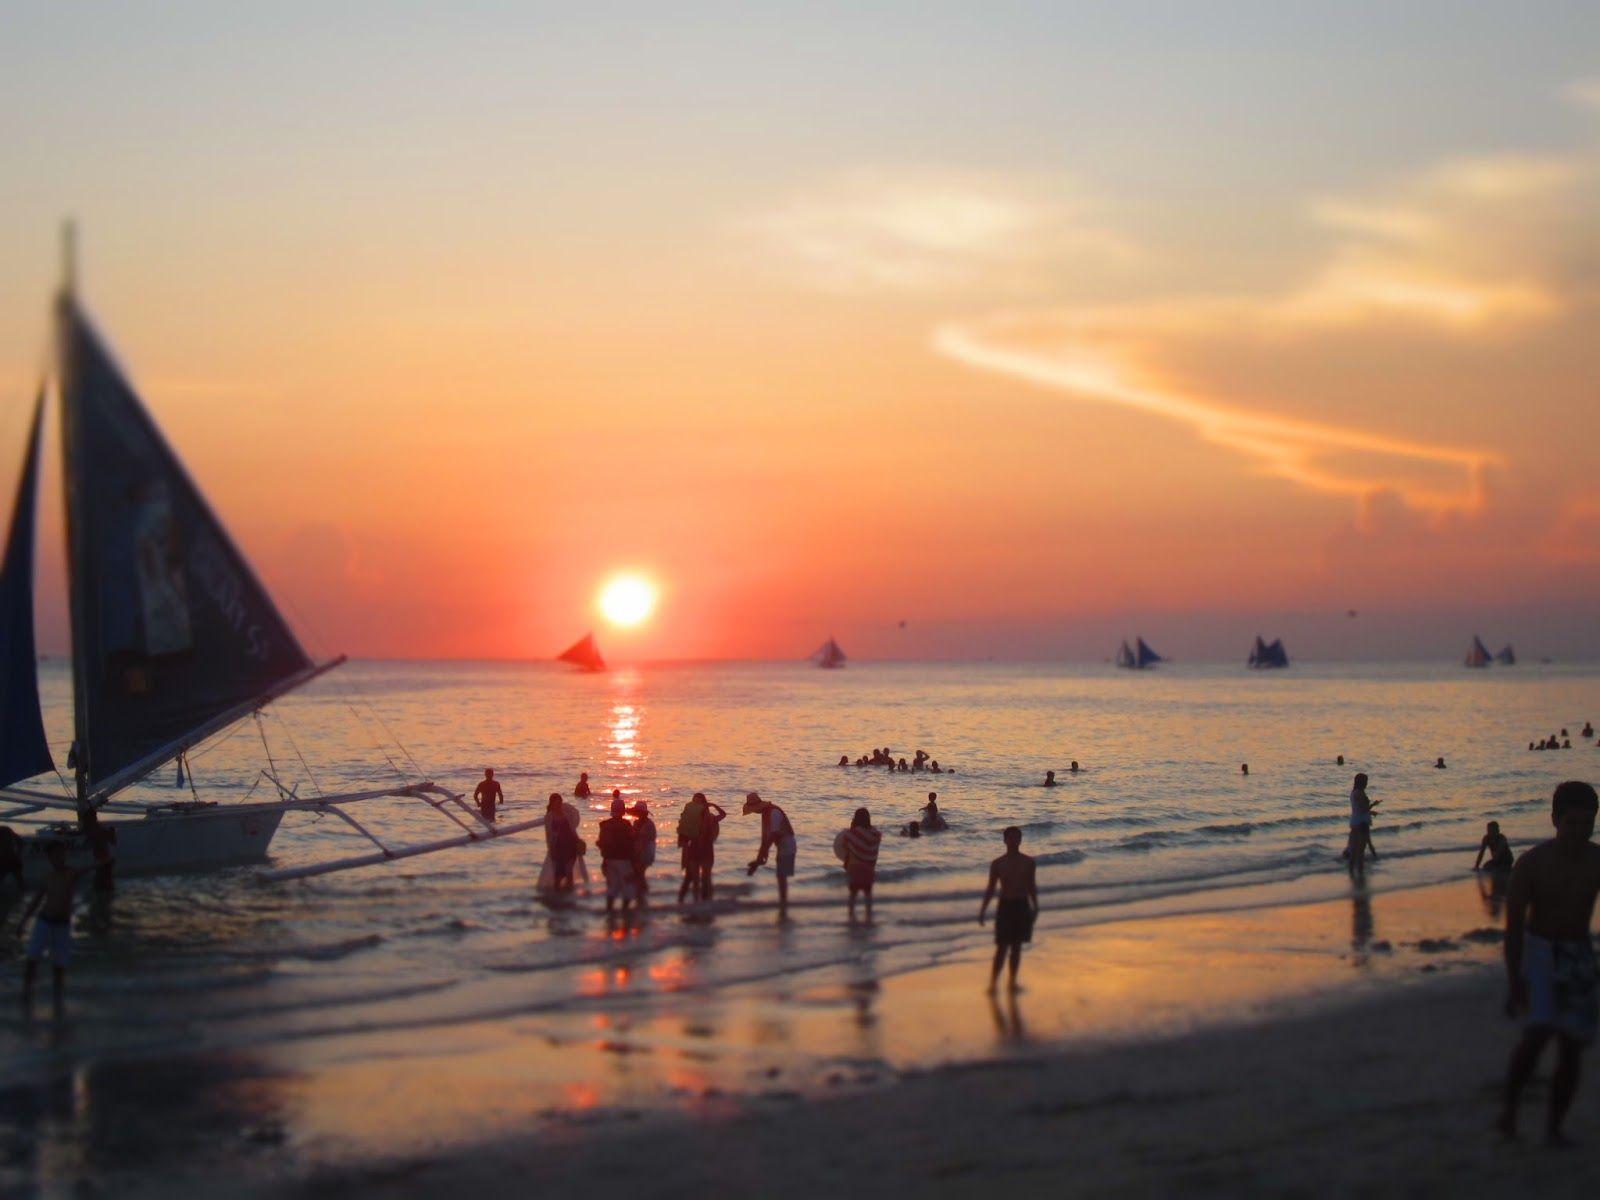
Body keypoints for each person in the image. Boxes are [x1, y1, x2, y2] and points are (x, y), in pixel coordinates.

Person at [1499, 781, 1600, 1144]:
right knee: (1537, 1036)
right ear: (1555, 820)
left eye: (1587, 824)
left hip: (1578, 953)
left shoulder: (1595, 860)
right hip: (1540, 952)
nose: (1578, 832)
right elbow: (1512, 930)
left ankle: (1554, 1128)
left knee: (1572, 1047)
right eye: (1571, 823)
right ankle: (1509, 1113)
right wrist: (1515, 982)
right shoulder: (1532, 864)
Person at [18, 842, 83, 1015]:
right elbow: (36, 901)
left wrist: (102, 864)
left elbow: (84, 871)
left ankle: (57, 1001)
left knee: (59, 966)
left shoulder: (71, 874)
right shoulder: (48, 877)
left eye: (61, 854)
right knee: (32, 959)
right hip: (44, 922)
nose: (59, 858)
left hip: (62, 925)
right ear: (50, 858)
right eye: (55, 855)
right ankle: (26, 995)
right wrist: (23, 922)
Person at [978, 826, 1038, 993]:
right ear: (1005, 841)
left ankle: (1012, 983)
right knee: (1002, 947)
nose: (1014, 841)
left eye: (1017, 838)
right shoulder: (998, 864)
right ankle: (993, 984)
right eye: (1010, 838)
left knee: (1017, 947)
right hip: (1005, 906)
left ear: (1020, 840)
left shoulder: (1028, 862)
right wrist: (983, 910)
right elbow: (991, 888)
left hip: (1022, 905)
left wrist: (1036, 906)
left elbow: (1031, 886)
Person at [744, 792, 797, 921]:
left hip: (787, 845)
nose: (754, 813)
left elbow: (773, 836)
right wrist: (759, 859)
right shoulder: (765, 814)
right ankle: (783, 903)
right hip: (781, 846)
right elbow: (765, 840)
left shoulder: (773, 813)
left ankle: (783, 905)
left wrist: (764, 854)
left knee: (781, 876)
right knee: (781, 877)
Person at [677, 793, 725, 904]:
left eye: (699, 802)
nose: (697, 804)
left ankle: (706, 903)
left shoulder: (711, 818)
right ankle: (696, 903)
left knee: (706, 878)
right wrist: (684, 855)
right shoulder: (690, 818)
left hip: (707, 850)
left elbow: (723, 814)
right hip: (694, 849)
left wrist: (713, 805)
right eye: (695, 802)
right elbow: (684, 837)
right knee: (694, 880)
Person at [597, 795, 638, 916]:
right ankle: (624, 912)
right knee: (629, 888)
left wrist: (604, 860)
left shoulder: (604, 825)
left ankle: (609, 912)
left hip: (609, 859)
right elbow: (631, 842)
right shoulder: (626, 824)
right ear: (622, 811)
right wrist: (634, 860)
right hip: (623, 860)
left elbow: (601, 843)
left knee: (612, 888)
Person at [841, 808, 881, 923]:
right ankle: (868, 915)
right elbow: (873, 845)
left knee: (853, 893)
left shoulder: (853, 833)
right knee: (867, 893)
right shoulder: (874, 833)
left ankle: (851, 915)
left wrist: (852, 827)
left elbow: (845, 842)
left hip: (856, 868)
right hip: (869, 868)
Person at [539, 793, 582, 892]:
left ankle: (569, 895)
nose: (559, 805)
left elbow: (572, 830)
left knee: (569, 871)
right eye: (557, 803)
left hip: (571, 846)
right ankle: (558, 896)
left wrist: (579, 842)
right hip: (558, 848)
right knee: (558, 876)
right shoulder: (549, 817)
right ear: (552, 804)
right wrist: (551, 849)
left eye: (560, 803)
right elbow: (548, 835)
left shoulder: (567, 815)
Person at [1347, 773, 1380, 878]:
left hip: (1357, 822)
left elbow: (1359, 809)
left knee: (1355, 851)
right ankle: (1359, 875)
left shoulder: (1354, 793)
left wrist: (1371, 809)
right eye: (1365, 781)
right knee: (1360, 852)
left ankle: (1352, 874)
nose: (1366, 783)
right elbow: (1362, 809)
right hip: (1361, 823)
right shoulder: (1359, 793)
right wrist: (1372, 808)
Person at [630, 801, 657, 896]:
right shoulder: (637, 823)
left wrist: (637, 853)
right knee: (639, 873)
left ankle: (642, 894)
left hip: (646, 851)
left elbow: (644, 841)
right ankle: (642, 893)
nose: (638, 814)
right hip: (642, 850)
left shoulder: (648, 824)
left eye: (639, 812)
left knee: (639, 873)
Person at [0, 825, 24, 892]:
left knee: (20, 880)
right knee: (20, 880)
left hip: (8, 859)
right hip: (11, 858)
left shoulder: (5, 829)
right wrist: (18, 854)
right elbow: (20, 841)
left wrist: (18, 854)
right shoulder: (6, 829)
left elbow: (20, 842)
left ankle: (25, 895)